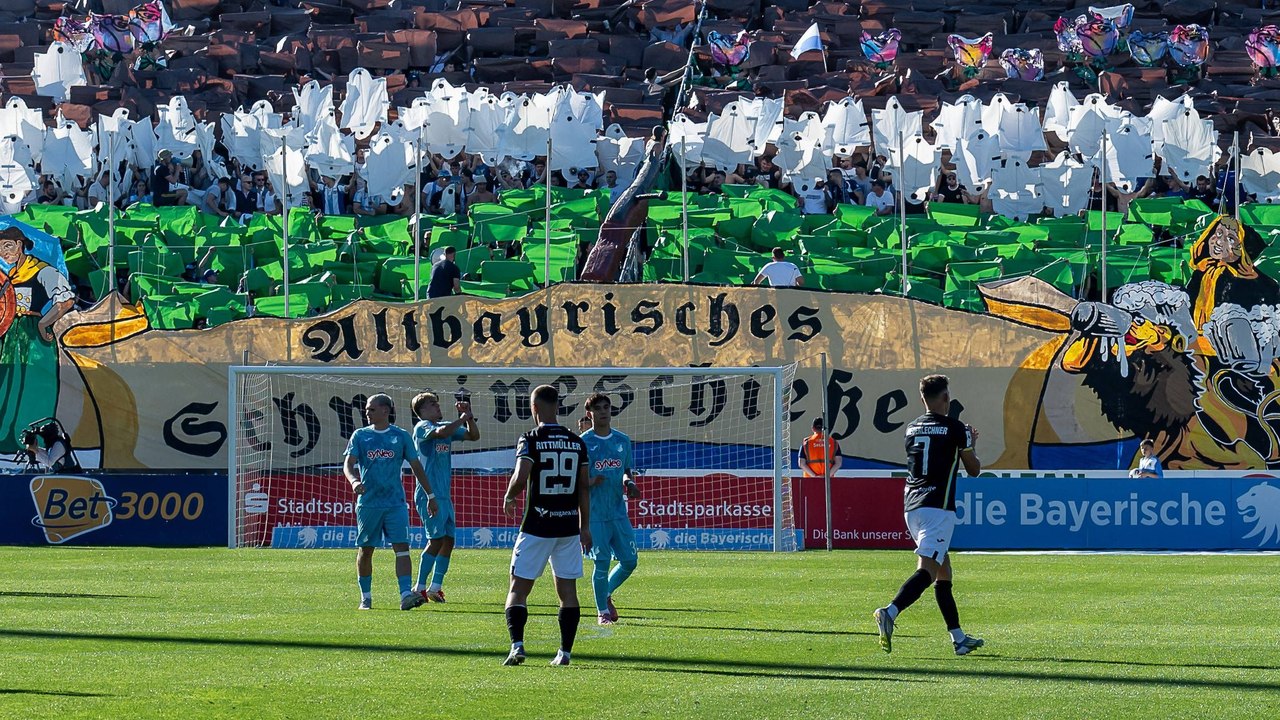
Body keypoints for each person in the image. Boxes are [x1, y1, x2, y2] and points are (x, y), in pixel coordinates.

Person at [874, 374, 984, 656]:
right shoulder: (955, 428)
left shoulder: (911, 428)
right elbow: (973, 469)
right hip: (938, 507)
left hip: (912, 506)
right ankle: (890, 611)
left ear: (922, 398)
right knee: (927, 571)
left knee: (943, 572)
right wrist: (969, 442)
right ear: (945, 398)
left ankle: (958, 638)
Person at [501, 384, 591, 667]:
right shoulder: (577, 442)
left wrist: (510, 494)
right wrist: (584, 526)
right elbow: (584, 488)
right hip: (567, 527)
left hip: (538, 524)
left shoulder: (530, 438)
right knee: (568, 592)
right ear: (558, 406)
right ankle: (564, 653)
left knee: (518, 587)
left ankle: (517, 647)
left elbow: (521, 473)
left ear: (535, 408)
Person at [342, 393, 437, 612]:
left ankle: (405, 594)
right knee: (366, 550)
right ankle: (365, 598)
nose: (367, 412)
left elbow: (416, 467)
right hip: (368, 504)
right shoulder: (360, 435)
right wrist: (354, 480)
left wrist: (431, 496)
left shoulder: (401, 436)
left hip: (395, 503)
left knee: (402, 548)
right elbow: (348, 463)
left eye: (371, 409)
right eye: (367, 409)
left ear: (385, 410)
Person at [411, 390, 480, 602]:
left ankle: (435, 587)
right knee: (436, 540)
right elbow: (440, 433)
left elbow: (473, 436)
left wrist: (468, 416)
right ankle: (419, 587)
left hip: (444, 495)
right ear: (421, 411)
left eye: (437, 403)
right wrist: (462, 418)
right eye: (432, 404)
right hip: (428, 494)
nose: (437, 407)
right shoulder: (422, 427)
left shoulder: (448, 427)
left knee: (449, 540)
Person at [581, 393, 641, 626]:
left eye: (607, 407)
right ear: (590, 413)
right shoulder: (583, 442)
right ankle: (602, 612)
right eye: (598, 408)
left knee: (629, 561)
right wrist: (589, 481)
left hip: (617, 511)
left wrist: (629, 483)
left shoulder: (622, 440)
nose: (604, 411)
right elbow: (576, 479)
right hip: (594, 514)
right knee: (602, 562)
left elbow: (626, 470)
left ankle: (604, 592)